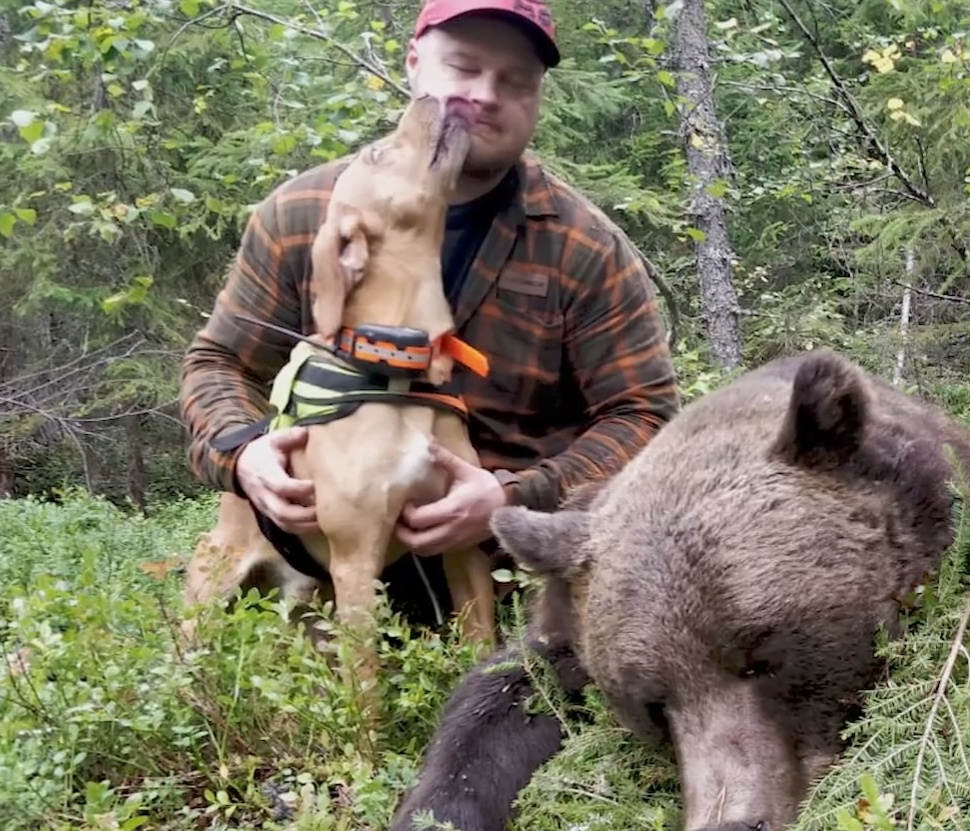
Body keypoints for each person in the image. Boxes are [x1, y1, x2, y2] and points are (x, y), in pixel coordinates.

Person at [178, 0, 679, 628]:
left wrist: (512, 498)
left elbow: (644, 416)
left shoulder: (581, 246)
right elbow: (219, 363)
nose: (485, 95)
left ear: (538, 99)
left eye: (515, 81)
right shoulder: (306, 213)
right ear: (416, 64)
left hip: (508, 575)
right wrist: (242, 453)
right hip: (324, 567)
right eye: (464, 66)